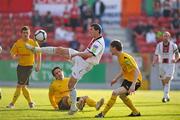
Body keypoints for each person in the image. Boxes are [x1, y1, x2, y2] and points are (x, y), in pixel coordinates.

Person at [25, 23, 105, 115]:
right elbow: (87, 53)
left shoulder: (99, 43)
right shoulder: (96, 39)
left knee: (71, 85)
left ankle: (74, 107)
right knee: (60, 50)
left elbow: (90, 55)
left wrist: (76, 54)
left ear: (97, 31)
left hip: (84, 64)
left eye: (91, 29)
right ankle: (36, 49)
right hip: (81, 59)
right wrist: (75, 56)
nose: (89, 31)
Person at [95, 40, 142, 118]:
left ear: (114, 48)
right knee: (122, 96)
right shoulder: (120, 57)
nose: (109, 49)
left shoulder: (125, 57)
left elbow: (137, 70)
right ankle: (135, 112)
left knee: (115, 93)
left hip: (134, 81)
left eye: (110, 47)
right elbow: (124, 70)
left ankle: (102, 114)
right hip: (128, 80)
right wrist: (115, 79)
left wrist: (133, 85)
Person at [6, 26, 41, 108]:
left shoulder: (33, 42)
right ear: (21, 33)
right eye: (24, 33)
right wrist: (15, 57)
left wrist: (38, 65)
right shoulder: (18, 43)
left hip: (29, 67)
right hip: (20, 67)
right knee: (23, 86)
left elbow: (39, 53)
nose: (25, 34)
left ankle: (12, 104)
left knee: (19, 85)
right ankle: (30, 103)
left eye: (27, 33)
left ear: (29, 33)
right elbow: (12, 53)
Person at [152, 31, 180, 103]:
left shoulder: (173, 45)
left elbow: (178, 54)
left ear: (169, 37)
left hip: (170, 65)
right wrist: (154, 61)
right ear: (162, 37)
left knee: (167, 79)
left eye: (167, 36)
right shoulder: (159, 45)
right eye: (164, 36)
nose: (166, 37)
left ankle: (164, 96)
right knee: (164, 81)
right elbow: (156, 55)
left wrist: (176, 59)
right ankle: (167, 96)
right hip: (161, 65)